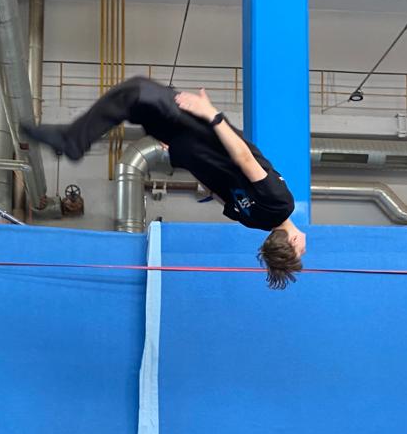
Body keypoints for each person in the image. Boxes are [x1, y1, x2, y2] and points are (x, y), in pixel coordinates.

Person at [22, 77, 305, 289]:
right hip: (190, 146)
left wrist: (212, 115)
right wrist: (183, 155)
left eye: (301, 251)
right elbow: (215, 191)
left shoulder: (281, 203)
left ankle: (73, 141)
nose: (304, 247)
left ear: (293, 241)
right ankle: (74, 140)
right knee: (133, 101)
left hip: (202, 134)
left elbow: (244, 159)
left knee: (137, 93)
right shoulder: (254, 221)